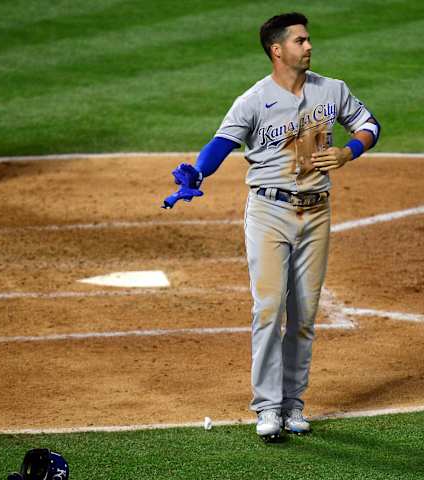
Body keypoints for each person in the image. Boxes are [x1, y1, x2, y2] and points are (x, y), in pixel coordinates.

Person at [163, 12, 380, 440]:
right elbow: (220, 143)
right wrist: (198, 173)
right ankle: (267, 407)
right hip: (269, 214)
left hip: (316, 213)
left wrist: (349, 151)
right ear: (277, 50)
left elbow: (370, 125)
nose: (309, 46)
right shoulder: (254, 100)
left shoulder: (332, 90)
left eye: (309, 39)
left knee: (303, 315)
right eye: (300, 41)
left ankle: (294, 404)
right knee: (268, 309)